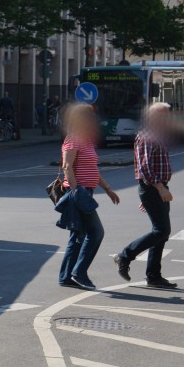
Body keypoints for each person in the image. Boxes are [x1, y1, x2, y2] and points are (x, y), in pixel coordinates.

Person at [114, 102, 176, 289]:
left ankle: (154, 276)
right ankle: (125, 256)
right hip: (153, 188)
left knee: (162, 233)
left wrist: (157, 191)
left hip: (155, 189)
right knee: (161, 231)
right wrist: (158, 189)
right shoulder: (148, 136)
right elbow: (145, 167)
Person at [58, 104, 120, 289]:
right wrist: (77, 192)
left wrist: (108, 189)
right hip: (79, 193)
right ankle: (79, 272)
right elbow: (67, 166)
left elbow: (93, 169)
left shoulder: (86, 140)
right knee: (96, 232)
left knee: (77, 235)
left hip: (86, 191)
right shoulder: (73, 139)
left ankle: (66, 277)